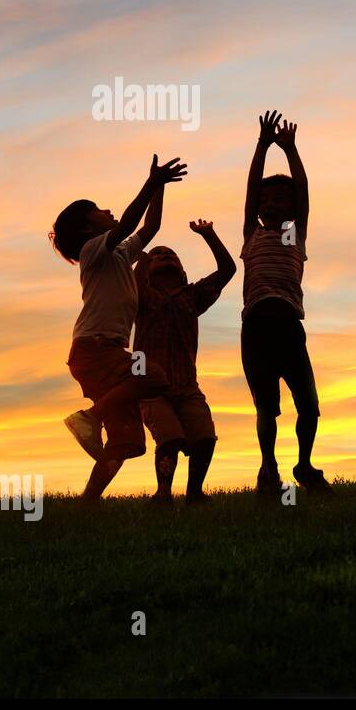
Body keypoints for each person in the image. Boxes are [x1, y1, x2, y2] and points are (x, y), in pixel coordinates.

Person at [51, 155, 187, 499]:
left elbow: (149, 228)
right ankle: (89, 417)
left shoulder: (119, 255)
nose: (107, 210)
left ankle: (88, 504)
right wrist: (151, 183)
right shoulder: (92, 250)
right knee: (154, 377)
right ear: (86, 228)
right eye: (98, 210)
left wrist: (160, 188)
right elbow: (127, 223)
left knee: (128, 442)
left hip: (104, 352)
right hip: (95, 349)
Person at [241, 111, 330, 496]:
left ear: (293, 209)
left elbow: (304, 190)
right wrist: (262, 145)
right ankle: (268, 467)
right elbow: (248, 191)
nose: (272, 201)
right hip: (256, 328)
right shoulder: (251, 234)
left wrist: (291, 150)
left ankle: (304, 464)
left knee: (308, 406)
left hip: (289, 327)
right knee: (266, 407)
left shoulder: (295, 234)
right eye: (267, 197)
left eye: (282, 197)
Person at [133, 219, 236, 504]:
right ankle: (163, 492)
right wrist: (140, 258)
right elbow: (132, 281)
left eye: (171, 255)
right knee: (169, 438)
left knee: (204, 437)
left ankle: (194, 492)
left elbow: (227, 270)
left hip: (187, 387)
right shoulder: (141, 295)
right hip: (150, 388)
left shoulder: (192, 295)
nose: (164, 255)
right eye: (157, 255)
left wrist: (209, 234)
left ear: (183, 271)